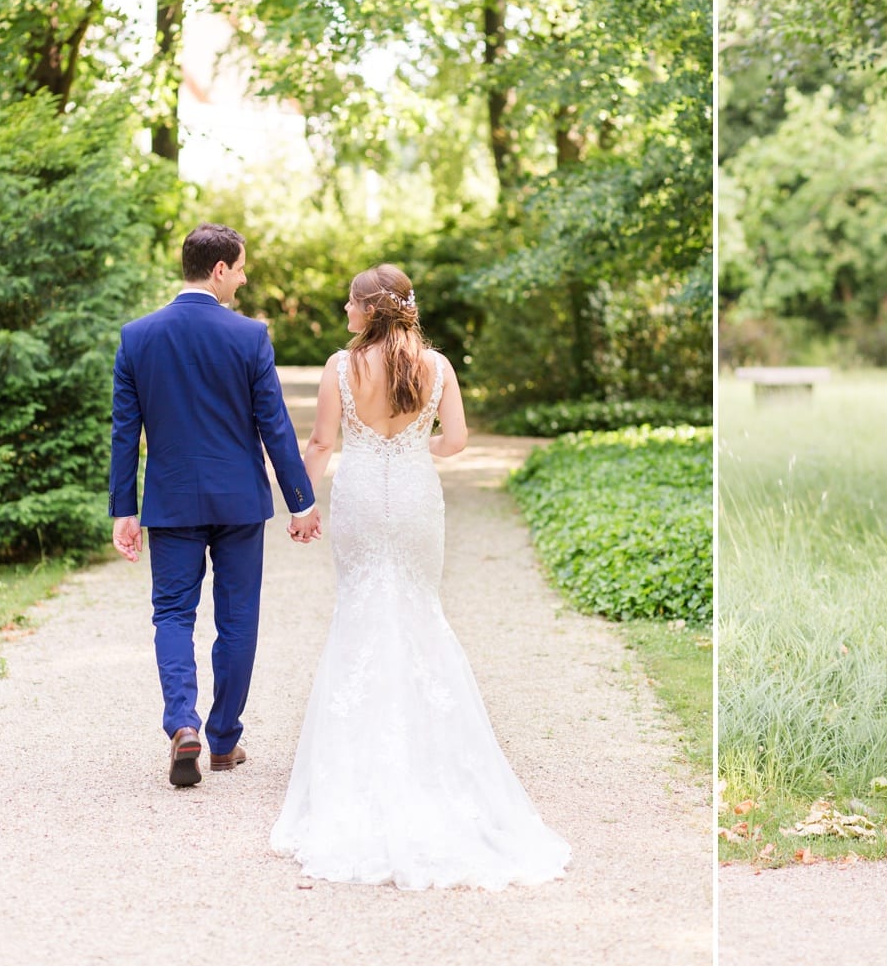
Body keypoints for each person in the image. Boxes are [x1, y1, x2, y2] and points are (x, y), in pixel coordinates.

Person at [270, 264, 570, 890]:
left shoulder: (340, 367)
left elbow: (322, 444)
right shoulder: (437, 367)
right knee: (418, 610)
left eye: (349, 302)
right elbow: (456, 440)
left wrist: (301, 503)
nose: (343, 311)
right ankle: (434, 761)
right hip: (412, 500)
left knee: (358, 613)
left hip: (357, 499)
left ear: (367, 309)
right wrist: (412, 452)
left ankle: (359, 770)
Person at [110, 223, 320, 788]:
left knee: (173, 614)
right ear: (220, 269)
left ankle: (183, 724)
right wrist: (300, 501)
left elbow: (124, 434)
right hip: (239, 502)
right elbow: (274, 426)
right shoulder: (250, 338)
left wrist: (122, 510)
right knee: (238, 617)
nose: (245, 278)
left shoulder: (137, 337)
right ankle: (225, 739)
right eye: (242, 267)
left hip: (171, 500)